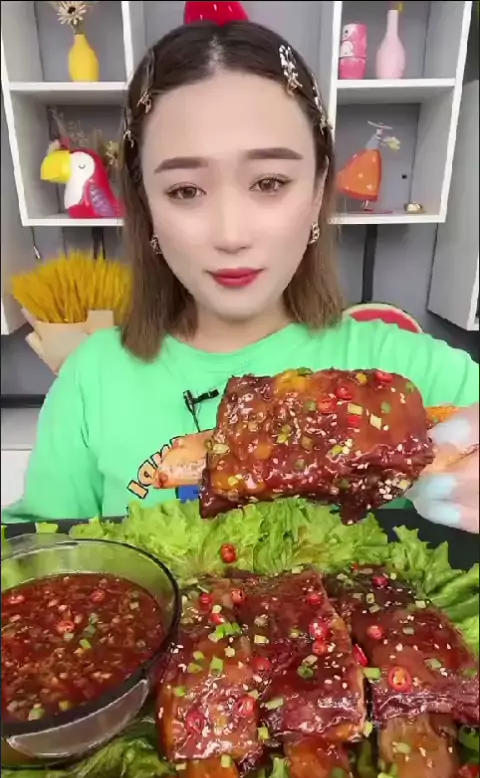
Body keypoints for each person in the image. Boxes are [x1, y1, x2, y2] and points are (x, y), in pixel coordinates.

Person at [3, 18, 478, 532]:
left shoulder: (416, 375)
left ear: (318, 190)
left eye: (269, 182)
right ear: (146, 207)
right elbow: (34, 553)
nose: (231, 234)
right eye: (185, 190)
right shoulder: (91, 379)